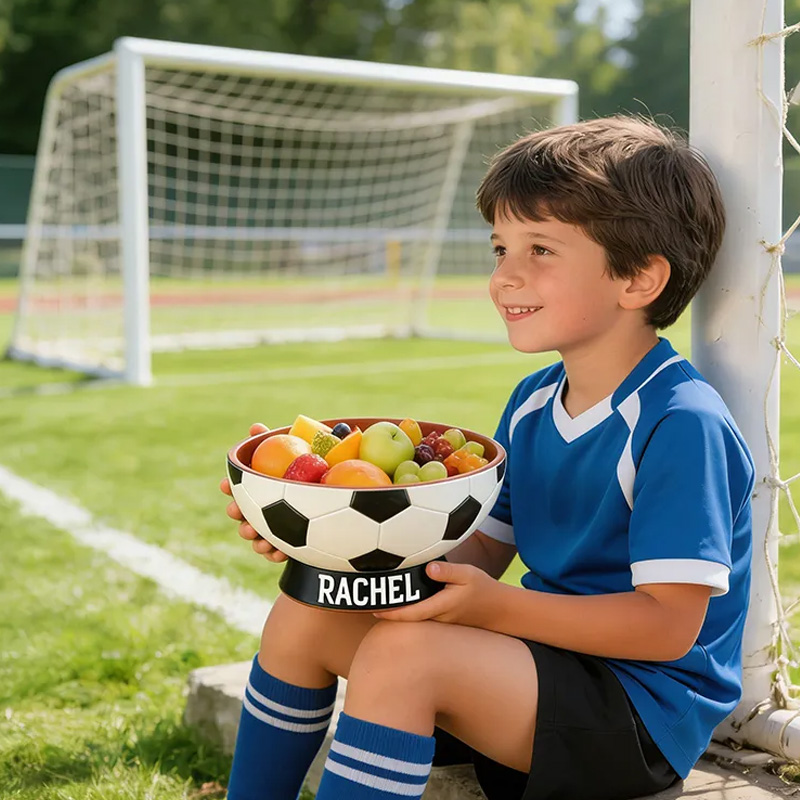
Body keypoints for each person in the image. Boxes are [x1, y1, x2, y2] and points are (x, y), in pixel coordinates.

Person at [219, 115, 755, 800]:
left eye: (540, 250)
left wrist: (492, 609)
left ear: (639, 279)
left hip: (638, 715)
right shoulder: (535, 400)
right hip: (533, 673)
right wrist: (330, 545)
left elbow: (666, 629)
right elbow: (474, 555)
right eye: (500, 248)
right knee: (308, 611)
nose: (506, 275)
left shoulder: (681, 422)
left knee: (406, 654)